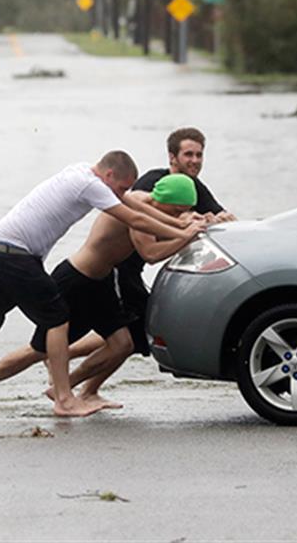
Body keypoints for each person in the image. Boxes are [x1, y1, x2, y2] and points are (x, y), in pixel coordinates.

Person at [0, 152, 203, 422]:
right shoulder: (92, 186)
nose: (122, 195)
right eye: (120, 188)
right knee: (56, 321)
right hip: (17, 255)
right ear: (109, 174)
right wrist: (184, 232)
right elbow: (137, 218)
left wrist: (186, 226)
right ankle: (63, 398)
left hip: (0, 247)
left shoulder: (80, 172)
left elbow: (140, 208)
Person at [67, 127, 237, 395]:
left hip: (133, 273)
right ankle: (68, 374)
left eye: (199, 155)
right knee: (131, 337)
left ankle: (72, 370)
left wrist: (220, 219)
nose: (194, 160)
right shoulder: (152, 183)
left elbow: (219, 215)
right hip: (119, 270)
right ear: (172, 157)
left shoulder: (193, 188)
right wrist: (182, 227)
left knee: (129, 336)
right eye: (188, 154)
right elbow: (143, 225)